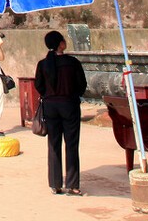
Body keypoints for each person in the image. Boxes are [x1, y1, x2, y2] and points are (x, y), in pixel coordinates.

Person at [34, 30, 87, 196]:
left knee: (53, 144)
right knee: (71, 144)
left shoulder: (43, 64)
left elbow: (39, 86)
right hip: (69, 105)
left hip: (50, 106)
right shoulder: (72, 63)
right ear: (61, 44)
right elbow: (82, 85)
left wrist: (50, 94)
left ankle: (55, 184)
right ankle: (72, 185)